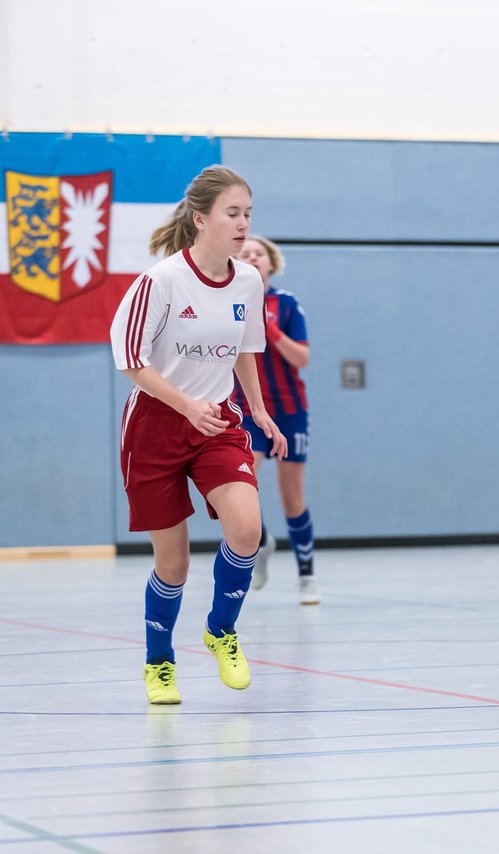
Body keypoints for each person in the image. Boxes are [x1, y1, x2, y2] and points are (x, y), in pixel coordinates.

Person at [109, 165, 287, 705]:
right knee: (175, 564)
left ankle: (221, 630)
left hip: (218, 422)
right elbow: (130, 361)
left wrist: (258, 411)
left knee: (247, 530)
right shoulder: (161, 281)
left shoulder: (249, 281)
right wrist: (186, 406)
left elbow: (246, 349)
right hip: (159, 423)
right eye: (232, 214)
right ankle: (158, 663)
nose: (243, 224)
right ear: (200, 218)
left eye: (248, 214)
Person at [232, 236, 319, 605]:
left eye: (259, 253)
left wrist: (272, 332)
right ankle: (261, 539)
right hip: (247, 409)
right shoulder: (230, 301)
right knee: (242, 485)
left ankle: (306, 576)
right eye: (245, 253)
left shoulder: (285, 304)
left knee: (292, 498)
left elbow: (302, 358)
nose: (253, 257)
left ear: (271, 263)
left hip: (288, 409)